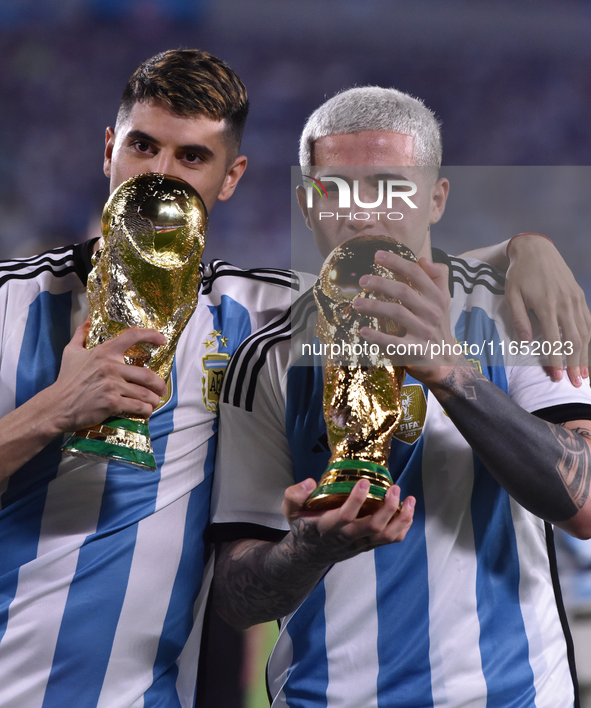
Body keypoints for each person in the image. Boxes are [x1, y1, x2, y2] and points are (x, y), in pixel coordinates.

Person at [211, 86, 591, 708]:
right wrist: (311, 549)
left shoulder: (510, 307)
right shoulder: (268, 357)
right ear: (307, 205)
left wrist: (448, 371)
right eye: (336, 189)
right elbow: (237, 596)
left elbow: (585, 503)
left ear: (435, 198)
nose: (363, 213)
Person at [0, 49, 296, 708]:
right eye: (142, 146)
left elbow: (392, 283)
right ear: (109, 149)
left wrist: (520, 253)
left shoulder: (258, 317)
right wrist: (52, 409)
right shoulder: (7, 304)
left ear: (231, 177)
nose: (159, 176)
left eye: (191, 157)